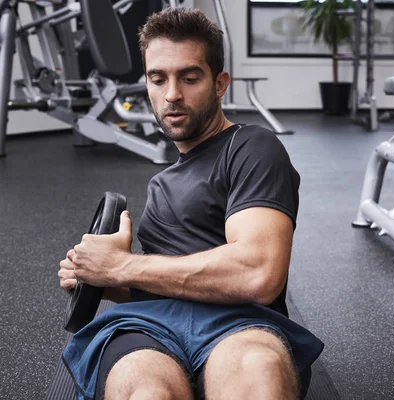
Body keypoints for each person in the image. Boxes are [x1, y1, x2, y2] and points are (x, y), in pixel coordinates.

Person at [57, 7, 324, 400]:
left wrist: (124, 265)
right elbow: (167, 280)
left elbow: (258, 273)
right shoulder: (162, 181)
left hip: (238, 322)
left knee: (257, 374)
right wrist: (105, 278)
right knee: (147, 393)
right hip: (147, 325)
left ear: (220, 84)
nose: (172, 95)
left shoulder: (250, 147)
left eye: (189, 77)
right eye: (157, 78)